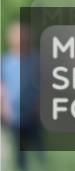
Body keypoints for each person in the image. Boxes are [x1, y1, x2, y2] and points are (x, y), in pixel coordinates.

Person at [0, 23, 44, 170]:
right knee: (19, 150)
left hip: (34, 113)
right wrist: (4, 107)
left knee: (39, 147)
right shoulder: (5, 61)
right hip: (14, 115)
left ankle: (42, 164)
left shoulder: (36, 60)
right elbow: (2, 86)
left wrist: (40, 105)